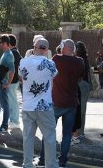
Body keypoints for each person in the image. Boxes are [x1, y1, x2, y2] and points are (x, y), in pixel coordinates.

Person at [39, 39, 84, 167]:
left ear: (63, 47)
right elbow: (80, 77)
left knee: (48, 131)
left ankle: (43, 159)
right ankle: (62, 161)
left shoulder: (56, 59)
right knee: (67, 134)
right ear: (73, 49)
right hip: (71, 103)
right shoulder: (80, 61)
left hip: (56, 101)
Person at [19, 38, 58, 168]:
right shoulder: (50, 63)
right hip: (45, 106)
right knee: (49, 137)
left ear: (33, 47)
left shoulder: (23, 61)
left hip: (28, 106)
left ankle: (28, 164)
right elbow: (54, 76)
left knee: (28, 137)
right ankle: (51, 165)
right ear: (47, 50)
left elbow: (21, 77)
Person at [71, 41, 91, 145]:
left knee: (81, 109)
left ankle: (80, 132)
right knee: (80, 109)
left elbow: (80, 74)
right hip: (83, 85)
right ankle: (79, 131)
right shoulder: (83, 59)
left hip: (82, 85)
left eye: (75, 48)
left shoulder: (81, 60)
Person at [0, 34, 15, 133]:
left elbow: (12, 71)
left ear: (6, 43)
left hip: (3, 83)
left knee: (4, 105)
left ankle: (4, 125)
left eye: (0, 43)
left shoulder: (9, 55)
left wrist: (7, 84)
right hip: (0, 82)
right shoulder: (5, 53)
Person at [8, 34, 22, 128]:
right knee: (12, 100)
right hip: (13, 80)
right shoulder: (15, 52)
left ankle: (15, 121)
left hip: (12, 80)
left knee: (13, 101)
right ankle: (13, 120)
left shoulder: (13, 53)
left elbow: (12, 68)